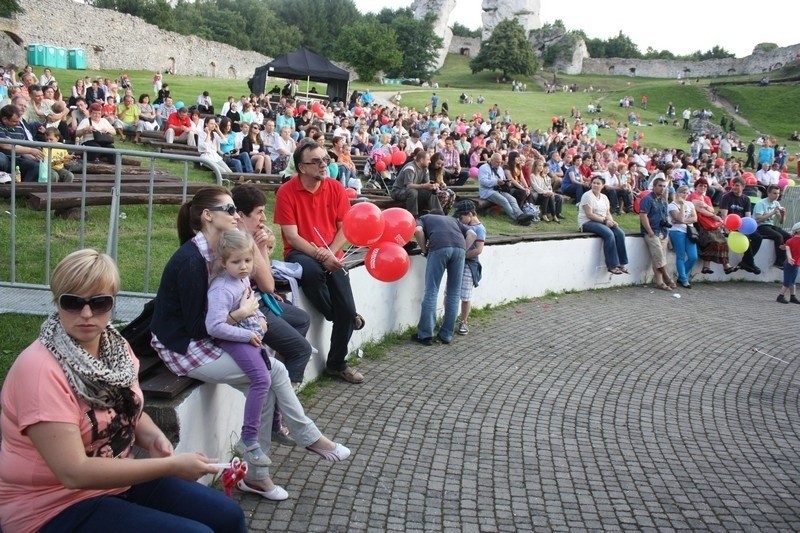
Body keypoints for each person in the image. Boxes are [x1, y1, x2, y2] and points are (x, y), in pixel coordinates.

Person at [0, 249, 246, 532]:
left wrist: (153, 437)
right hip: (52, 507)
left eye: (100, 302)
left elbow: (126, 407)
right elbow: (73, 473)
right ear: (57, 302)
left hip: (113, 483)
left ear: (113, 302)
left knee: (228, 516)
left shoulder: (115, 348)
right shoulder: (39, 370)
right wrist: (171, 466)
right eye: (72, 302)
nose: (87, 313)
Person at [151, 186, 351, 502]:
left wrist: (250, 317)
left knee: (269, 378)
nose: (236, 215)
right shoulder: (192, 259)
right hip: (184, 345)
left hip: (214, 335)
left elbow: (257, 286)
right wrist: (244, 317)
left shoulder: (221, 249)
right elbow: (199, 326)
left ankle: (259, 474)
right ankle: (304, 439)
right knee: (274, 373)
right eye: (229, 210)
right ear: (207, 216)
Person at [274, 142, 365, 384]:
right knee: (313, 272)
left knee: (347, 307)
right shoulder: (286, 191)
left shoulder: (335, 187)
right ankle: (336, 314)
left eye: (325, 159)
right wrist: (321, 255)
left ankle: (337, 363)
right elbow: (292, 236)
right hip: (300, 252)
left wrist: (330, 253)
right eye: (316, 161)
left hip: (332, 253)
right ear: (301, 167)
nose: (324, 164)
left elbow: (345, 228)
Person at [231, 185, 313, 388]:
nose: (264, 218)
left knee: (302, 319)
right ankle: (285, 402)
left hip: (257, 300)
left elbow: (267, 282)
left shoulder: (247, 239)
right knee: (302, 349)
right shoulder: (238, 242)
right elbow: (268, 285)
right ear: (241, 216)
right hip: (248, 310)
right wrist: (257, 246)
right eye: (259, 212)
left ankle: (280, 372)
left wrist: (260, 248)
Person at [205, 230, 272, 468]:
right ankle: (249, 439)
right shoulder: (222, 288)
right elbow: (214, 327)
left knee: (271, 368)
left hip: (248, 335)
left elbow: (251, 301)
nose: (243, 267)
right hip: (233, 339)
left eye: (247, 260)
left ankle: (275, 422)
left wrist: (262, 318)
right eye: (236, 262)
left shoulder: (242, 279)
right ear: (224, 262)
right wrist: (247, 334)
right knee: (261, 379)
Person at [411, 213, 476, 346]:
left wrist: (424, 250)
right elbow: (472, 234)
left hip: (438, 248)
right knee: (454, 293)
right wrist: (463, 250)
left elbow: (417, 231)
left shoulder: (423, 218)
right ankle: (446, 335)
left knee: (431, 290)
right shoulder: (453, 220)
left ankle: (425, 334)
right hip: (459, 249)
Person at [578, 176, 629, 275]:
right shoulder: (587, 196)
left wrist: (612, 221)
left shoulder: (604, 197)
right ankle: (612, 265)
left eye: (598, 183)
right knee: (609, 234)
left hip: (602, 221)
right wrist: (606, 221)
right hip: (587, 222)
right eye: (594, 183)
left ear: (602, 186)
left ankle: (622, 263)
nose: (595, 185)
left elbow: (607, 212)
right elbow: (589, 214)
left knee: (620, 233)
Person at [688, 178, 738, 275]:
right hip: (699, 223)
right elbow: (699, 210)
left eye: (705, 186)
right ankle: (706, 266)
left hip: (709, 223)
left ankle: (726, 265)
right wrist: (713, 215)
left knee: (723, 241)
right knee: (712, 241)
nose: (703, 187)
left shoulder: (706, 198)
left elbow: (711, 209)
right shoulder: (693, 196)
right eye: (700, 185)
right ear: (696, 187)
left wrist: (706, 206)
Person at [452, 200, 485, 336]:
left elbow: (478, 250)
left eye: (461, 217)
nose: (460, 220)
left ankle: (464, 321)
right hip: (458, 261)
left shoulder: (479, 229)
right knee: (451, 292)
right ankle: (450, 318)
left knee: (465, 295)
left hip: (469, 264)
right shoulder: (463, 225)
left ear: (470, 214)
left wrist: (461, 256)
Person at [639, 176, 677, 290]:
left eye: (664, 186)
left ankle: (659, 282)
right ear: (654, 186)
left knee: (659, 257)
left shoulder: (663, 200)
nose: (662, 188)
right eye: (660, 186)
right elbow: (643, 215)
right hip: (652, 231)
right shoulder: (647, 199)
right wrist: (649, 231)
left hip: (663, 231)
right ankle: (667, 277)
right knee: (659, 256)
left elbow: (664, 216)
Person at [719, 177, 762, 274]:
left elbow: (748, 216)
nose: (734, 187)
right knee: (745, 237)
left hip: (742, 225)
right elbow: (724, 215)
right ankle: (750, 263)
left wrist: (750, 228)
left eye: (737, 185)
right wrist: (726, 227)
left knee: (758, 238)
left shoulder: (746, 199)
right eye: (733, 185)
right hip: (731, 225)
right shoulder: (726, 197)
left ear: (743, 187)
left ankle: (746, 261)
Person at [478, 153, 534, 226]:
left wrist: (507, 183)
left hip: (499, 189)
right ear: (491, 160)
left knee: (512, 199)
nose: (499, 164)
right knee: (504, 201)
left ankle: (520, 215)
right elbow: (483, 181)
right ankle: (517, 218)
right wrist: (496, 181)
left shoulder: (500, 169)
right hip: (488, 191)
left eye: (501, 162)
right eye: (497, 162)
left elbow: (503, 179)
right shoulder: (484, 168)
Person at [391, 149, 442, 217]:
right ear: (421, 160)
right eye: (428, 159)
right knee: (412, 192)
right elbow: (408, 186)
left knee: (431, 191)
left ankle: (438, 214)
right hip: (398, 191)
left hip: (414, 191)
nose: (430, 162)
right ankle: (413, 216)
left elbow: (427, 184)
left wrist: (432, 186)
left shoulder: (425, 169)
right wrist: (424, 186)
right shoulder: (410, 167)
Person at [668, 185, 698, 289]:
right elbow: (679, 218)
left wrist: (683, 220)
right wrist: (682, 207)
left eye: (687, 193)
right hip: (677, 231)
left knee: (693, 256)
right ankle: (684, 280)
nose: (685, 195)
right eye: (683, 193)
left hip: (689, 231)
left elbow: (694, 218)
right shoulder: (672, 205)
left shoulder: (690, 204)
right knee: (680, 255)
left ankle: (681, 276)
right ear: (678, 193)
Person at [753, 184, 790, 269]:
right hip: (761, 226)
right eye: (774, 193)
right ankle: (779, 262)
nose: (777, 195)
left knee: (788, 236)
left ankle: (786, 259)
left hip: (770, 225)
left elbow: (781, 222)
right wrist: (772, 213)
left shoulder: (776, 203)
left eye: (778, 193)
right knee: (778, 236)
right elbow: (758, 219)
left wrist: (783, 213)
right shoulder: (761, 203)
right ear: (768, 193)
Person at [529, 158, 563, 222]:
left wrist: (549, 192)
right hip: (536, 194)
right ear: (535, 166)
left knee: (550, 196)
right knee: (548, 195)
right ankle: (547, 215)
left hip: (543, 194)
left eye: (542, 165)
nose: (541, 167)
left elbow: (546, 187)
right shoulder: (532, 175)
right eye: (539, 165)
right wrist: (546, 192)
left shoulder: (542, 176)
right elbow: (536, 187)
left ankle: (553, 215)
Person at [776, 222, 800, 304]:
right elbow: (788, 250)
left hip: (795, 263)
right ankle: (780, 296)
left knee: (792, 282)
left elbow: (787, 249)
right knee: (787, 282)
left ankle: (792, 296)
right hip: (790, 264)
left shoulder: (789, 241)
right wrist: (789, 258)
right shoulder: (790, 241)